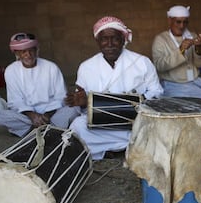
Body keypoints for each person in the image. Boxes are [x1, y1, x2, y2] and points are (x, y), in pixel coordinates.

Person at [65, 16, 163, 160]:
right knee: (78, 126)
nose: (109, 44)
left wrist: (137, 103)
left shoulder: (142, 62)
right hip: (102, 125)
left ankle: (112, 149)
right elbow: (84, 109)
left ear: (123, 40)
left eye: (115, 39)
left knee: (158, 128)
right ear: (98, 41)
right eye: (104, 39)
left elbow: (157, 92)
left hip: (136, 122)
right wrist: (82, 102)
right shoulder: (86, 67)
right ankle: (126, 148)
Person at [0, 33, 79, 137]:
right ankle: (49, 129)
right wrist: (32, 115)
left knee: (74, 109)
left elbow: (61, 97)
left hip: (52, 113)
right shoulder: (11, 71)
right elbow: (15, 101)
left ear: (36, 50)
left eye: (31, 50)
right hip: (27, 115)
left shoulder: (51, 67)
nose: (28, 54)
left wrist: (46, 115)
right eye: (23, 51)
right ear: (17, 53)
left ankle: (32, 130)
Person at [151, 5, 201, 100]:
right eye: (178, 22)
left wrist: (199, 48)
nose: (182, 26)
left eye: (185, 22)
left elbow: (200, 64)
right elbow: (159, 66)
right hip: (172, 85)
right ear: (170, 21)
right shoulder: (160, 39)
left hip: (195, 82)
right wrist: (180, 50)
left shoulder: (192, 36)